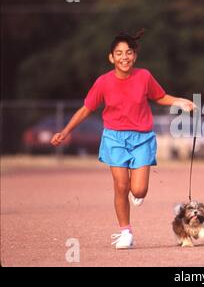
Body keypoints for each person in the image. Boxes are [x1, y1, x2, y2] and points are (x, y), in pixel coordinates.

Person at [51, 30, 195, 249]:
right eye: (119, 53)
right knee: (121, 185)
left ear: (134, 56)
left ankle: (136, 196)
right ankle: (125, 232)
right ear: (111, 57)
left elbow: (160, 97)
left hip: (142, 138)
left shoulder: (144, 76)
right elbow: (86, 109)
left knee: (138, 191)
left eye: (129, 52)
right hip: (114, 138)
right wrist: (66, 130)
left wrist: (180, 102)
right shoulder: (103, 82)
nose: (124, 57)